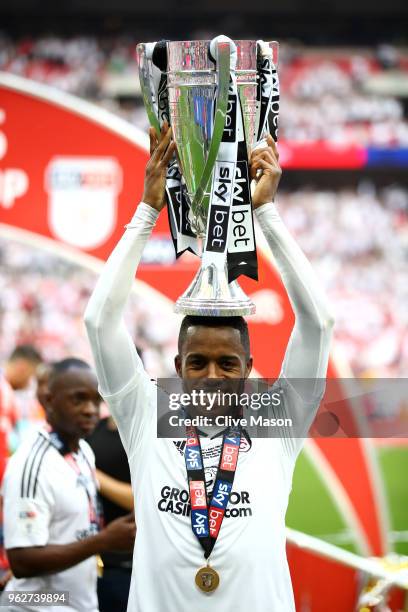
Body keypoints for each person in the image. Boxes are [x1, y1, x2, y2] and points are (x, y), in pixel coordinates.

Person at [84, 123, 334, 611]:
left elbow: (318, 323)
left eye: (228, 363)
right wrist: (147, 210)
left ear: (248, 369)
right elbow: (99, 321)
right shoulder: (144, 416)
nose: (213, 376)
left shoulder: (277, 424)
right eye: (197, 362)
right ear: (178, 367)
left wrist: (265, 213)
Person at [1, 358, 136, 612]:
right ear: (49, 400)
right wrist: (103, 541)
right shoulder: (32, 464)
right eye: (78, 399)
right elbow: (21, 561)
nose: (90, 410)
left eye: (96, 401)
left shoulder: (83, 450)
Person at [88, 414, 133, 612]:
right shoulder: (96, 427)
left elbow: (142, 498)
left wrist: (93, 476)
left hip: (125, 563)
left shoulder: (142, 429)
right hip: (91, 559)